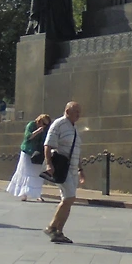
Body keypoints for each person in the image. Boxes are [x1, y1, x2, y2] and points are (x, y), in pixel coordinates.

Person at [43, 102, 85, 243]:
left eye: (79, 112)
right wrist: (49, 163)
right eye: (76, 112)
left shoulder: (74, 128)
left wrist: (80, 169)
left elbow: (76, 150)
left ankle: (58, 232)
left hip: (73, 169)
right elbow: (48, 145)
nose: (79, 115)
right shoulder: (58, 124)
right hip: (62, 168)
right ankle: (52, 226)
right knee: (69, 198)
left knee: (68, 200)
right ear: (67, 111)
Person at [7, 113, 52, 202]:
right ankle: (23, 193)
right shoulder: (31, 125)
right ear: (39, 121)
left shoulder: (46, 129)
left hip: (38, 153)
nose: (44, 126)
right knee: (25, 171)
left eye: (47, 124)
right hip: (28, 152)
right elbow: (27, 137)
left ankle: (37, 193)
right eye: (43, 123)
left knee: (38, 173)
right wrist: (38, 131)